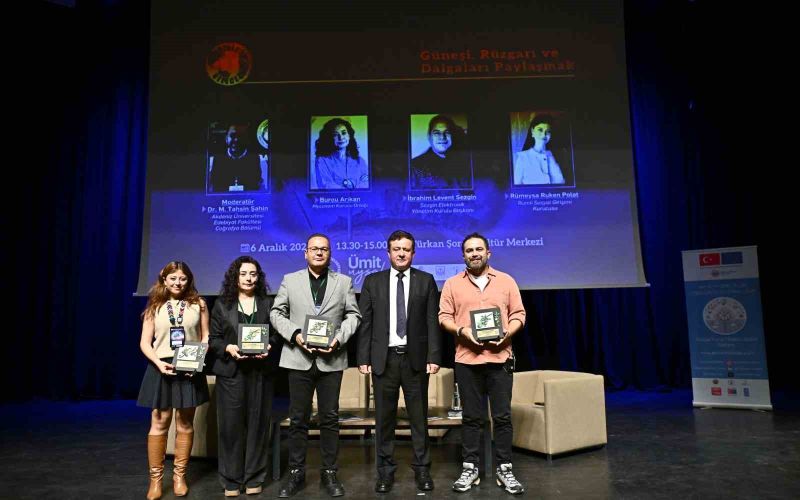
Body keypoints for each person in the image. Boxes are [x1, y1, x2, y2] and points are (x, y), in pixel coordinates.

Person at [270, 233, 362, 498]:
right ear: (306, 253)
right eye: (314, 249)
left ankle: (329, 473)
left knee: (329, 419)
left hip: (331, 359)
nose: (319, 252)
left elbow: (353, 315)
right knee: (298, 419)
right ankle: (296, 473)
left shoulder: (343, 282)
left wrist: (339, 338)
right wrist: (296, 335)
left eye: (324, 249)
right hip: (297, 358)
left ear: (330, 253)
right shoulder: (290, 280)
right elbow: (276, 313)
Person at [438, 233, 526, 495]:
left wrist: (507, 333)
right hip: (467, 360)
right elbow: (444, 317)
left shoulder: (507, 281)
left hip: (500, 359)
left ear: (488, 253)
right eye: (469, 250)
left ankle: (505, 468)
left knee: (502, 417)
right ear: (463, 255)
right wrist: (462, 331)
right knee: (471, 418)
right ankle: (470, 468)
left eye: (479, 249)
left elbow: (519, 314)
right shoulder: (452, 284)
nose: (474, 254)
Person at [357, 230, 441, 493]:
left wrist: (434, 356)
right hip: (384, 360)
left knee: (419, 419)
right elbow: (365, 323)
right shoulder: (372, 282)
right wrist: (363, 357)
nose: (401, 253)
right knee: (384, 420)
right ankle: (385, 473)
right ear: (388, 253)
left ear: (413, 253)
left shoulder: (426, 281)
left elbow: (432, 322)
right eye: (396, 249)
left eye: (406, 249)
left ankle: (422, 470)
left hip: (416, 360)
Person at [137, 261, 210, 499]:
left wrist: (198, 361)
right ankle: (156, 480)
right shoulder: (155, 306)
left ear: (189, 280)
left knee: (185, 422)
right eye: (173, 278)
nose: (178, 283)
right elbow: (144, 343)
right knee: (159, 421)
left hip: (189, 367)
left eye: (183, 279)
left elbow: (205, 336)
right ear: (164, 280)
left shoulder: (199, 304)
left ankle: (179, 476)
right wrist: (158, 363)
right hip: (161, 367)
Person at [209, 256, 280, 497]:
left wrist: (269, 345)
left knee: (258, 425)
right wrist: (228, 348)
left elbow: (276, 335)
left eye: (253, 274)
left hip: (260, 372)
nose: (249, 278)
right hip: (231, 372)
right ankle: (231, 480)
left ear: (258, 277)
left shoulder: (268, 303)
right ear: (235, 277)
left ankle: (253, 477)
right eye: (243, 274)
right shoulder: (222, 305)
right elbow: (214, 339)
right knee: (230, 427)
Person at [410, 114, 472, 189]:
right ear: (429, 137)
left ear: (453, 136)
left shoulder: (467, 163)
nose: (442, 137)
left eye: (447, 132)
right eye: (437, 133)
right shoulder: (415, 167)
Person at [312, 118, 369, 190]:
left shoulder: (360, 160)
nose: (341, 137)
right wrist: (352, 185)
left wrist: (350, 184)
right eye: (335, 134)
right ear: (329, 138)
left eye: (344, 133)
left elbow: (367, 183)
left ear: (349, 135)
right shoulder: (322, 160)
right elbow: (325, 186)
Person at [209, 124, 265, 193]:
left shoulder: (260, 160)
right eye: (232, 135)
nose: (236, 139)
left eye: (240, 136)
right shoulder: (215, 160)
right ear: (226, 138)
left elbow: (262, 189)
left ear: (246, 139)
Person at [513, 114, 565, 185]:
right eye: (540, 130)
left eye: (548, 131)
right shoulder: (523, 157)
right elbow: (517, 185)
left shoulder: (555, 156)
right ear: (532, 131)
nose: (544, 134)